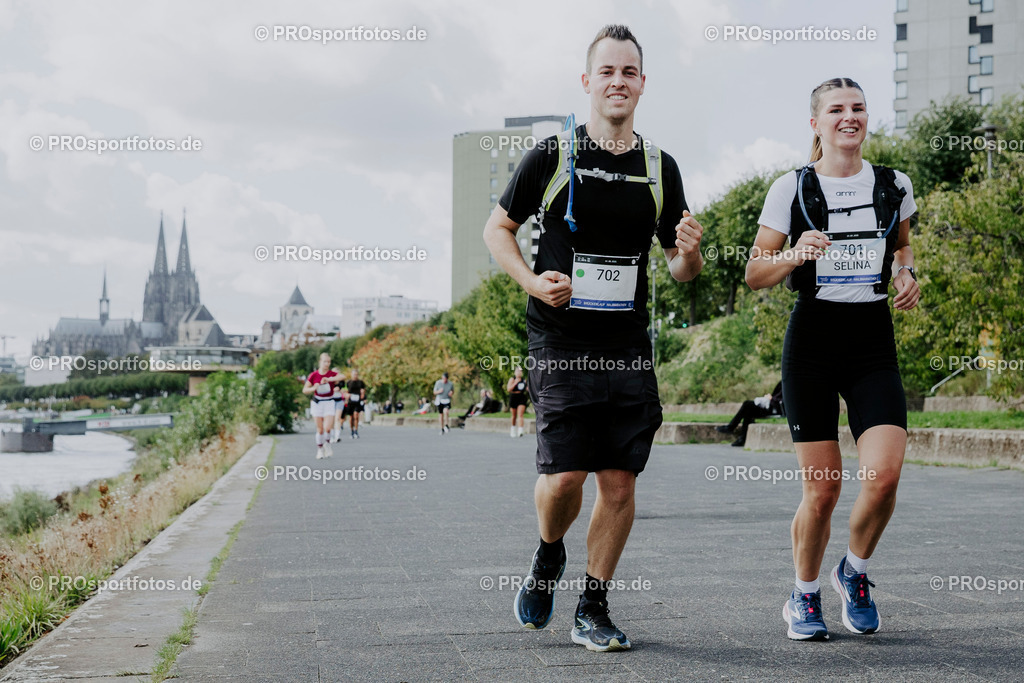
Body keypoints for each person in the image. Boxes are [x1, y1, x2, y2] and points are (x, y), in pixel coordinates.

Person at [483, 24, 704, 652]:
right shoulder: (550, 157)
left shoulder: (661, 168)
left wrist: (689, 253)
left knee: (620, 482)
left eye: (629, 72)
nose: (618, 82)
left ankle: (593, 605)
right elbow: (497, 230)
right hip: (558, 340)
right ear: (587, 82)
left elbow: (681, 269)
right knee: (563, 480)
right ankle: (548, 553)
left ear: (642, 84)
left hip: (627, 344)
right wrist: (530, 279)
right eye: (607, 72)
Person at [744, 77, 920, 642]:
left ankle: (856, 571)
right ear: (815, 123)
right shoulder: (791, 189)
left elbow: (901, 245)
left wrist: (904, 272)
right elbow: (754, 274)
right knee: (822, 489)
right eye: (837, 110)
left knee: (885, 475)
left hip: (872, 342)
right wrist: (796, 253)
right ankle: (804, 594)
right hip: (813, 343)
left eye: (859, 108)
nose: (850, 117)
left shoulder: (894, 184)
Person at [716, 381, 784, 447]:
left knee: (747, 404)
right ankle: (741, 438)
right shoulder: (783, 382)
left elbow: (783, 400)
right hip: (771, 406)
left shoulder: (788, 383)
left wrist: (771, 399)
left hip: (775, 409)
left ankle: (732, 428)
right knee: (748, 411)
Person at [302, 353, 342, 459]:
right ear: (320, 362)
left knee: (327, 428)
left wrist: (329, 379)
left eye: (329, 362)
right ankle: (320, 449)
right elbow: (305, 390)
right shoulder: (313, 375)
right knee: (320, 429)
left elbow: (343, 376)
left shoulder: (331, 373)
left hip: (329, 402)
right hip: (317, 403)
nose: (327, 364)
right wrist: (314, 388)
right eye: (325, 361)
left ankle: (327, 443)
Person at [507, 366, 529, 438]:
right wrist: (515, 383)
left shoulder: (524, 380)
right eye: (518, 371)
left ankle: (520, 430)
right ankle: (513, 429)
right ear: (515, 372)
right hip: (513, 397)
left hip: (521, 397)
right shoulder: (512, 379)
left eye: (520, 371)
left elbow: (526, 388)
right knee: (514, 416)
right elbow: (509, 389)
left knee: (520, 414)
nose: (519, 372)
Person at [344, 369, 367, 439]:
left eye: (356, 374)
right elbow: (345, 391)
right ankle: (352, 431)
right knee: (351, 417)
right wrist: (346, 396)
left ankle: (356, 431)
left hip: (357, 401)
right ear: (351, 375)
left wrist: (363, 394)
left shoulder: (361, 382)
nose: (355, 376)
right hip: (350, 401)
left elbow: (363, 390)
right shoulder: (348, 382)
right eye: (354, 374)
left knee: (356, 415)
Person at [331, 367, 347, 443]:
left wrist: (340, 390)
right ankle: (331, 436)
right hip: (331, 401)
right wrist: (333, 390)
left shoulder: (342, 382)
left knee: (337, 419)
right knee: (331, 419)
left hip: (339, 401)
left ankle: (337, 436)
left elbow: (345, 390)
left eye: (337, 372)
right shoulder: (329, 381)